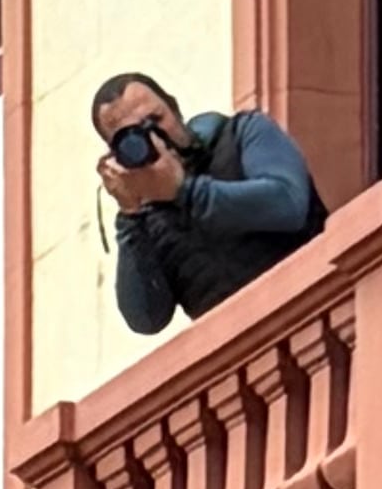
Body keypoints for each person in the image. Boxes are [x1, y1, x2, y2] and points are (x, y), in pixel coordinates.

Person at [92, 69, 322, 335]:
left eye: (155, 120)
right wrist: (131, 217)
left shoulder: (243, 133)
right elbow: (146, 319)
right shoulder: (149, 220)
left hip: (312, 309)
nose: (154, 138)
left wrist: (185, 192)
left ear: (175, 110)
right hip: (244, 348)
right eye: (133, 137)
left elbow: (288, 203)